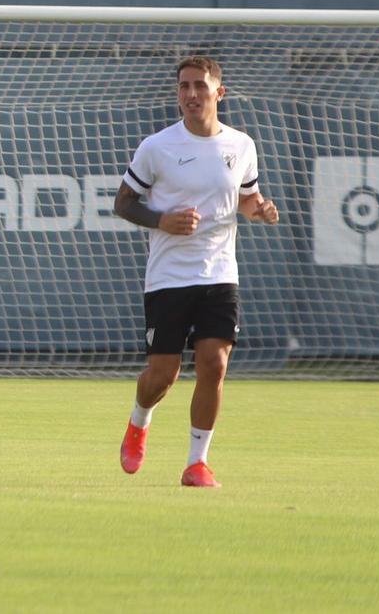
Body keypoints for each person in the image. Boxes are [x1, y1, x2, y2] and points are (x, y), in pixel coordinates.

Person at [113, 55, 277, 488]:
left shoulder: (241, 145)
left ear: (218, 92)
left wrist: (258, 209)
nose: (190, 94)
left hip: (220, 272)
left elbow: (246, 198)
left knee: (214, 363)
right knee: (162, 376)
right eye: (184, 86)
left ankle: (197, 463)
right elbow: (124, 203)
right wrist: (161, 220)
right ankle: (139, 419)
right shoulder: (157, 147)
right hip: (168, 276)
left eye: (200, 86)